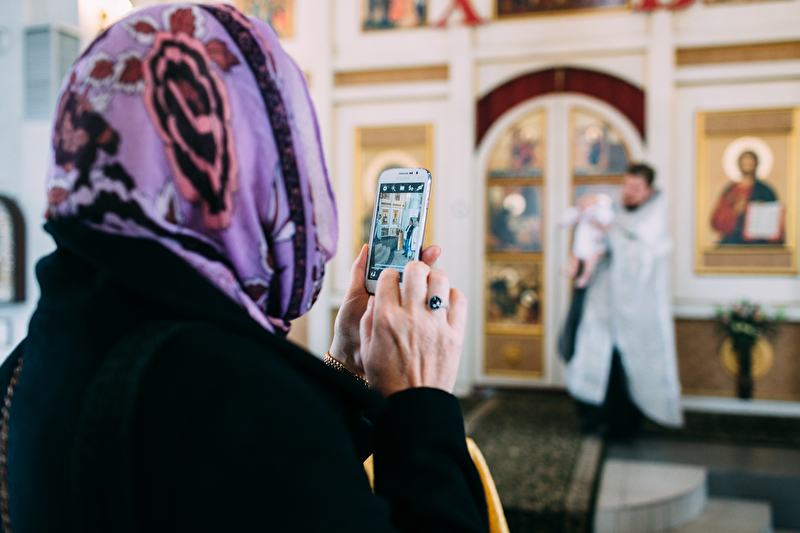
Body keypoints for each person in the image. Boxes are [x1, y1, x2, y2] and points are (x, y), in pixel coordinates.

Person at [0, 5, 488, 533]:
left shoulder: (39, 351)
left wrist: (347, 365)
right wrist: (419, 401)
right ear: (240, 164)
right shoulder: (226, 393)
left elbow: (274, 500)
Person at [564, 163, 683, 438]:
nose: (628, 192)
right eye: (626, 186)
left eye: (636, 188)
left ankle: (624, 424)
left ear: (648, 190)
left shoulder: (652, 220)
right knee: (595, 358)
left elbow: (642, 257)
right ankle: (595, 416)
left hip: (636, 309)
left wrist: (612, 234)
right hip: (603, 304)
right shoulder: (613, 211)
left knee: (626, 365)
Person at [711, 150, 782, 245]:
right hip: (734, 240)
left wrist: (761, 210)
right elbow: (718, 221)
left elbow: (775, 220)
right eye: (744, 162)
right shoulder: (730, 191)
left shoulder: (765, 191)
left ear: (756, 164)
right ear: (739, 165)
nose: (747, 165)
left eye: (750, 162)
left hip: (759, 241)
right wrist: (735, 212)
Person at [558, 193, 614, 288]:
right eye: (583, 202)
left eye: (588, 202)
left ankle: (585, 276)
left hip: (593, 242)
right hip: (581, 241)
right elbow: (562, 221)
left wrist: (596, 223)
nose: (585, 204)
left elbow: (607, 223)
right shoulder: (577, 212)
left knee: (589, 260)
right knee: (575, 255)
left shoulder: (597, 212)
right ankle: (573, 270)